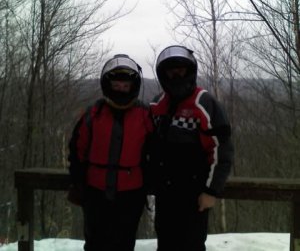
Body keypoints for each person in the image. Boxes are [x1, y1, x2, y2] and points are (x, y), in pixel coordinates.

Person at [148, 45, 234, 251]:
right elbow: (148, 145)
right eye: (171, 71)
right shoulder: (156, 104)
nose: (176, 75)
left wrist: (211, 191)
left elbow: (221, 150)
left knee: (192, 244)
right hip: (164, 194)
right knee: (166, 242)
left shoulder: (204, 103)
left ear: (190, 71)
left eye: (181, 70)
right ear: (163, 74)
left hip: (194, 195)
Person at [67, 54, 153, 251]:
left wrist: (150, 181)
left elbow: (154, 151)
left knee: (124, 242)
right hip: (95, 191)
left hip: (131, 193)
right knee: (95, 242)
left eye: (125, 86)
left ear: (133, 86)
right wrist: (77, 181)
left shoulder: (144, 114)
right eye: (116, 86)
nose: (121, 90)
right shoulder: (94, 113)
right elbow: (77, 150)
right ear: (108, 85)